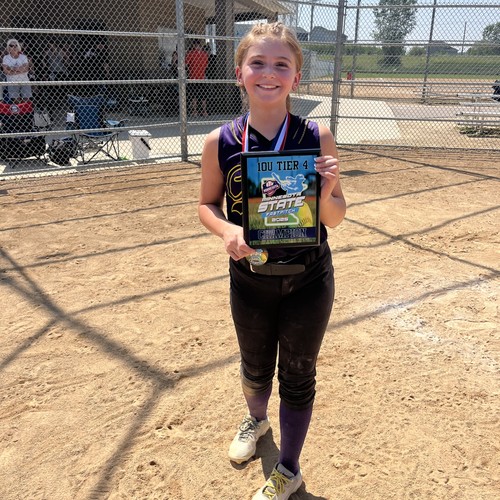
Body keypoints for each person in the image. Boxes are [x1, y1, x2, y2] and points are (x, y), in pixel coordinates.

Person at [198, 22, 346, 499]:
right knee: (255, 366)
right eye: (257, 62)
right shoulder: (219, 141)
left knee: (298, 374)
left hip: (308, 277)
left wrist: (327, 188)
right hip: (250, 278)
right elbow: (206, 205)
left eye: (281, 64)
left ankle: (288, 468)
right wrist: (227, 230)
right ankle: (257, 420)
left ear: (296, 77)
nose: (268, 73)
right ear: (239, 72)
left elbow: (335, 217)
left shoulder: (316, 134)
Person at [186, 39, 208, 117]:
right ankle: (204, 112)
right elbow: (206, 66)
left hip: (193, 77)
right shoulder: (204, 54)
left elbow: (186, 63)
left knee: (193, 96)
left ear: (193, 45)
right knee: (203, 96)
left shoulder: (191, 54)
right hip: (202, 77)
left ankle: (195, 112)